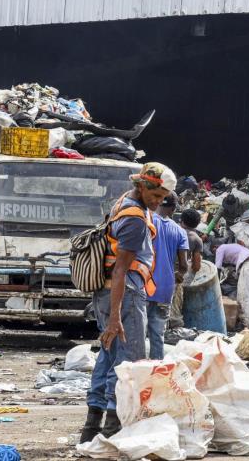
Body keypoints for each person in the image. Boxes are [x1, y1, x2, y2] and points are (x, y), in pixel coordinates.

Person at [81, 162, 175, 443]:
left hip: (108, 293)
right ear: (142, 186)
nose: (159, 203)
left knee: (108, 356)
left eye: (163, 198)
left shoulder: (123, 201)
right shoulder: (134, 219)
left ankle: (91, 427)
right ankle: (113, 427)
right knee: (128, 361)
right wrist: (115, 318)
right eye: (156, 195)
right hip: (125, 294)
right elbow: (121, 269)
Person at [148, 193, 188, 359]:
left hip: (144, 285)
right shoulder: (180, 231)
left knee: (136, 333)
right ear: (173, 208)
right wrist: (178, 275)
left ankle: (134, 372)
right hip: (165, 288)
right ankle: (156, 370)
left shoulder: (147, 221)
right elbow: (184, 266)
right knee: (157, 334)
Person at [213, 242, 249, 329]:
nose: (214, 253)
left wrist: (216, 286)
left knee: (243, 296)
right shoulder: (231, 247)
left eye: (213, 250)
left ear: (215, 247)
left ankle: (245, 326)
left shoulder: (220, 248)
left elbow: (217, 268)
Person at [170, 208, 203, 329]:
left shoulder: (172, 230)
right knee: (174, 309)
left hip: (160, 271)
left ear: (181, 220)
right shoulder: (196, 239)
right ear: (197, 223)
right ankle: (173, 332)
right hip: (177, 275)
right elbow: (196, 266)